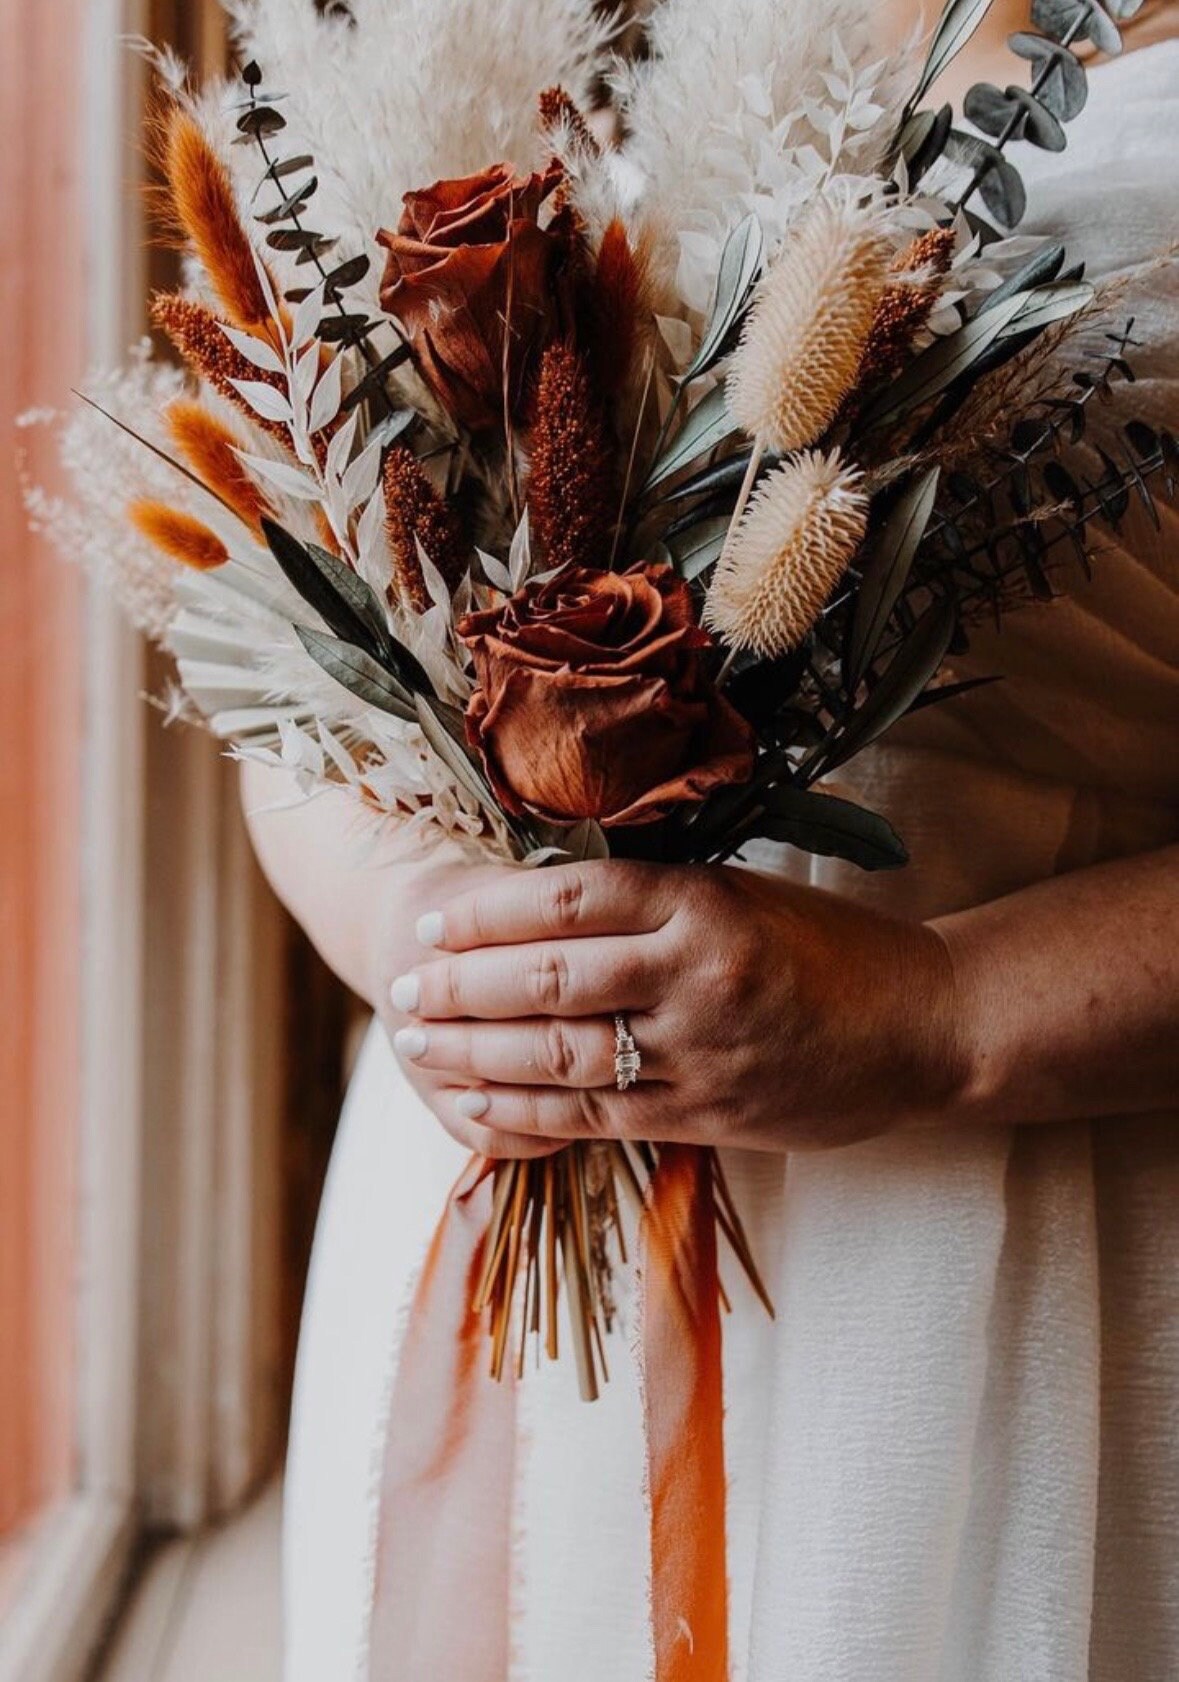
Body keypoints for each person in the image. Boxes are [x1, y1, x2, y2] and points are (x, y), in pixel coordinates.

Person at [244, 3, 1179, 1676]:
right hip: (496, 1227)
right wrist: (440, 932)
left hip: (1024, 1268)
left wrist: (938, 1015)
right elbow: (263, 647)